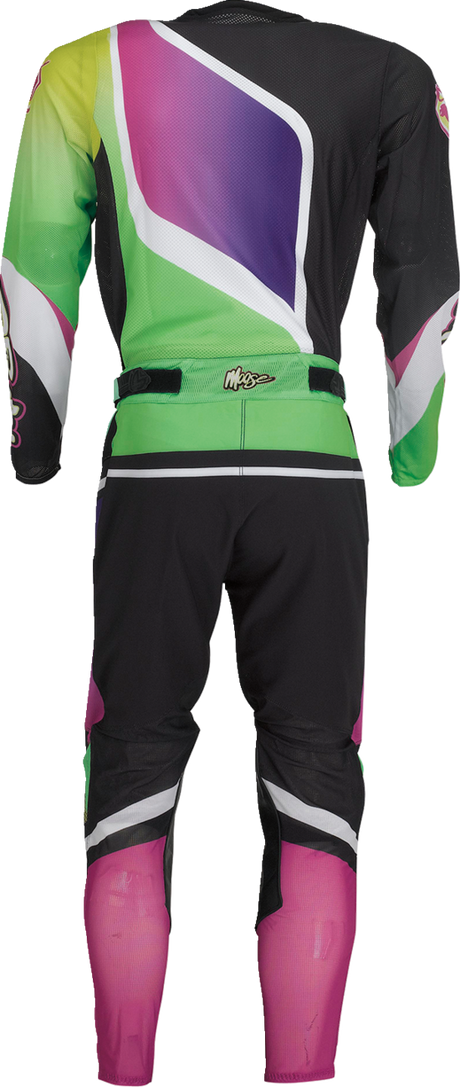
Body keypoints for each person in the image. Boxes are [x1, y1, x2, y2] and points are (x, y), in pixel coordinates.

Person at [2, 4, 458, 1084]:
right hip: (311, 455)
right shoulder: (390, 71)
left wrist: (36, 443)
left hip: (160, 458)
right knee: (316, 768)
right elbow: (425, 267)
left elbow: (34, 258)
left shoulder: (83, 66)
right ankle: (302, 1073)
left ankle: (121, 1071)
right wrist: (414, 445)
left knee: (129, 759)